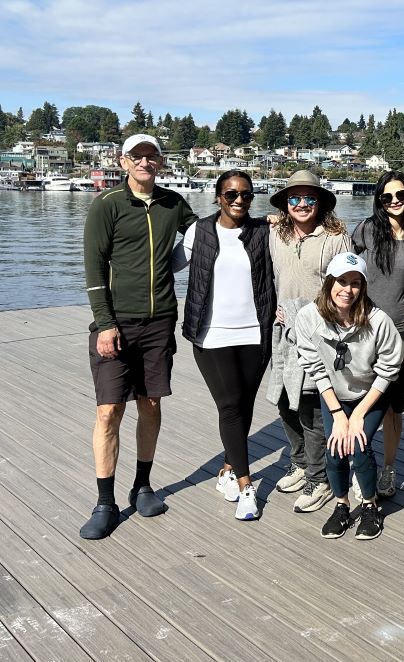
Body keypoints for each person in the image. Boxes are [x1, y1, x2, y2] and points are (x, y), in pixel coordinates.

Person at [81, 134, 198, 540]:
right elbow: (94, 269)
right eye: (138, 156)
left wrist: (260, 222)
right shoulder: (107, 205)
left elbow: (208, 234)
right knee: (108, 411)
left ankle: (142, 485)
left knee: (150, 403)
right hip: (116, 322)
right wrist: (105, 323)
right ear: (124, 161)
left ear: (161, 163)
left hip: (159, 320)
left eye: (152, 156)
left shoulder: (172, 203)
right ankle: (105, 501)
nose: (146, 162)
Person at [175, 170, 275, 520]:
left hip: (255, 333)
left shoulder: (263, 231)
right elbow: (164, 266)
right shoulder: (199, 231)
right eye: (230, 194)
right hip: (211, 333)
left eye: (246, 195)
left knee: (244, 405)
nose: (238, 200)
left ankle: (228, 468)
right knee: (230, 405)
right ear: (218, 196)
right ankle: (247, 486)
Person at [295, 252, 404, 540]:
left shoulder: (379, 321)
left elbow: (389, 369)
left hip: (372, 392)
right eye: (342, 281)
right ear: (329, 281)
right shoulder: (308, 317)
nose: (348, 289)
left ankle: (370, 506)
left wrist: (357, 416)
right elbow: (314, 367)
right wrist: (337, 413)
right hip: (335, 394)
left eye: (356, 283)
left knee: (359, 443)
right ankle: (342, 505)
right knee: (335, 448)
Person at [266, 170, 350, 515]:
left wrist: (319, 315)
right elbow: (274, 275)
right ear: (286, 204)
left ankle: (321, 479)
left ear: (321, 202)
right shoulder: (276, 233)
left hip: (320, 328)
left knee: (312, 406)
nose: (301, 205)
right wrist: (277, 307)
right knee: (284, 399)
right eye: (294, 199)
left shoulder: (335, 237)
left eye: (309, 198)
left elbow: (347, 285)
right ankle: (299, 462)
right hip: (283, 326)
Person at [351, 171, 404, 500]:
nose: (395, 202)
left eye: (401, 196)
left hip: (400, 331)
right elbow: (345, 268)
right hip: (363, 327)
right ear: (379, 200)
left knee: (395, 407)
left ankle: (389, 467)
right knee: (360, 398)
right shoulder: (366, 230)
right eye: (387, 197)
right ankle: (360, 462)